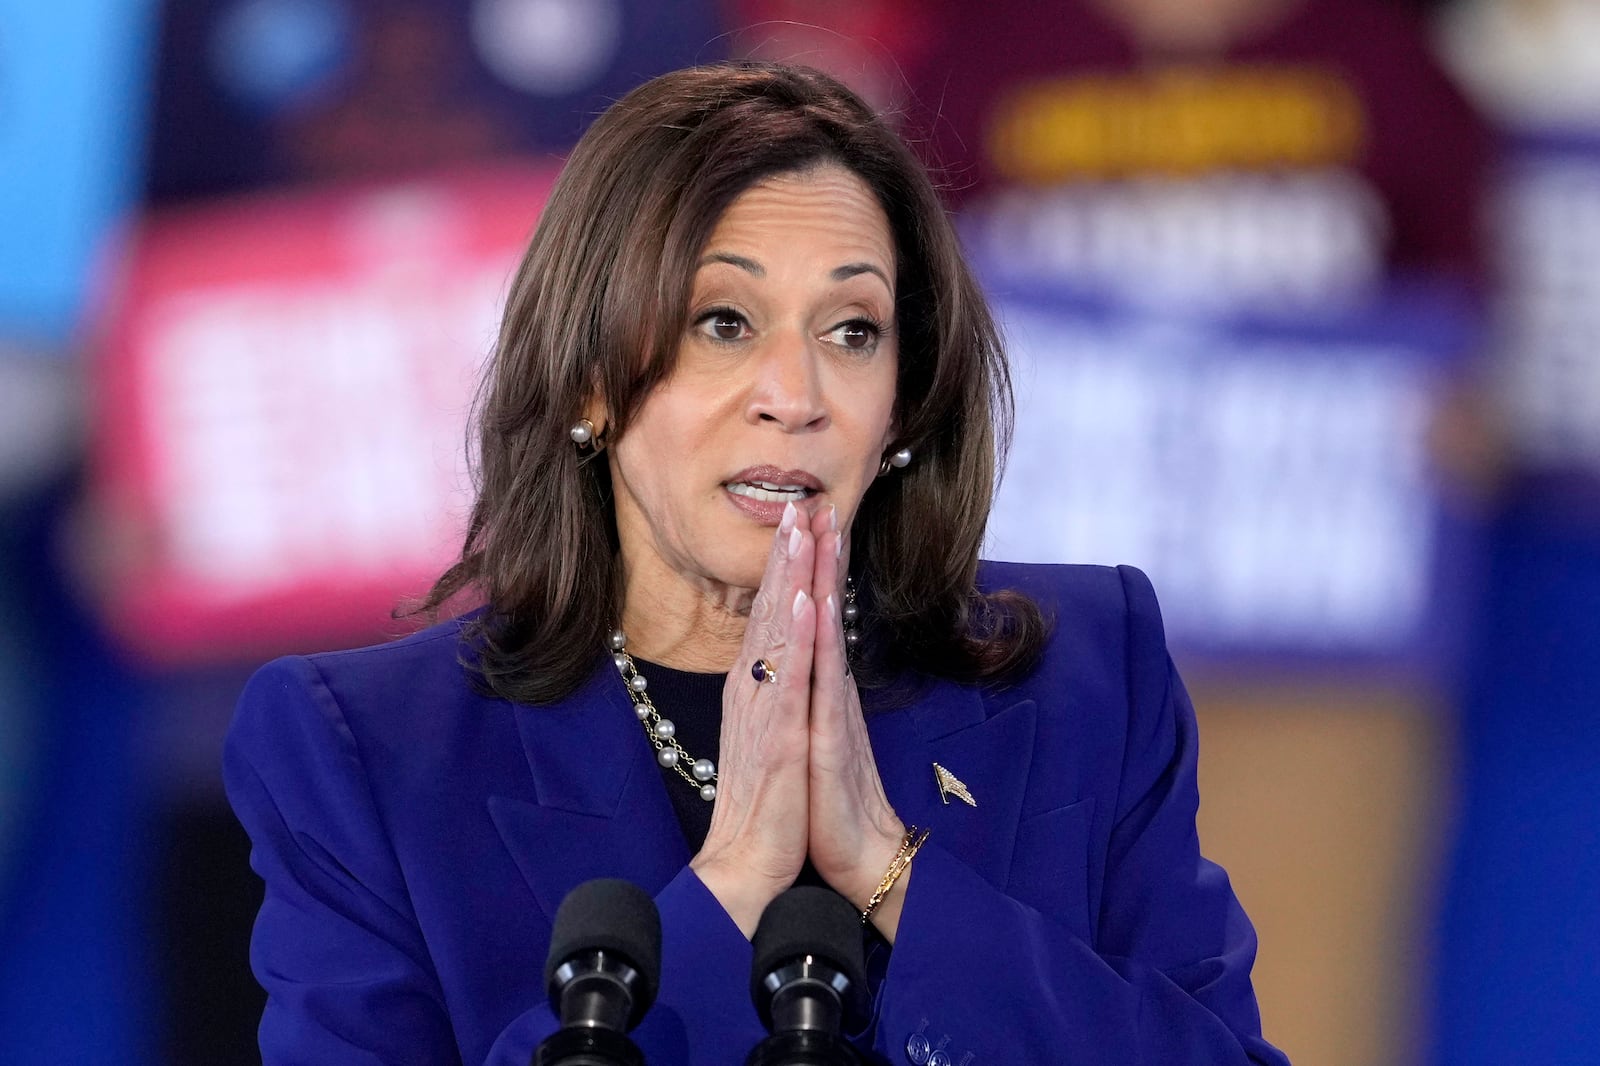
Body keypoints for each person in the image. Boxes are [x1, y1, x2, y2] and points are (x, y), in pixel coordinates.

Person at [224, 62, 1289, 1065]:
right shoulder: (362, 754)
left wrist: (887, 868)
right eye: (723, 322)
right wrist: (729, 884)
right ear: (590, 380)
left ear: (904, 408)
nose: (797, 391)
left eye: (853, 329)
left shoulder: (1087, 675)